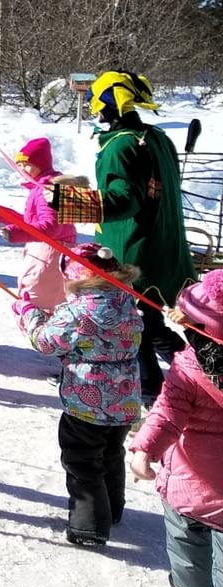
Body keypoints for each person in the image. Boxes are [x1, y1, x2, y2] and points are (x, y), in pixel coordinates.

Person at [51, 71, 195, 404]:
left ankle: (153, 396)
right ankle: (200, 373)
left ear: (108, 104)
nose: (92, 109)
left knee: (135, 329)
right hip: (163, 246)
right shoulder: (156, 136)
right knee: (152, 324)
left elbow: (124, 200)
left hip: (134, 251)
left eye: (95, 102)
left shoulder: (121, 145)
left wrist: (65, 201)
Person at [12, 243, 142, 547]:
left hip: (87, 401)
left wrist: (29, 314)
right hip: (124, 400)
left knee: (82, 462)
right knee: (111, 453)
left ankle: (89, 526)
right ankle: (112, 509)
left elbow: (45, 342)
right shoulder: (126, 300)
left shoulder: (78, 310)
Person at [129, 271, 223, 587]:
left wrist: (144, 450)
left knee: (186, 549)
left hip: (190, 487)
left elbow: (167, 411)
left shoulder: (189, 367)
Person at [0, 138, 79, 314]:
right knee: (38, 305)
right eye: (19, 164)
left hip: (51, 252)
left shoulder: (47, 189)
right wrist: (1, 214)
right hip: (47, 250)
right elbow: (31, 224)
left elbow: (50, 227)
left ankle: (48, 339)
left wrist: (15, 232)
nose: (22, 169)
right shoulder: (41, 188)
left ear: (40, 164)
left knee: (38, 305)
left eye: (26, 164)